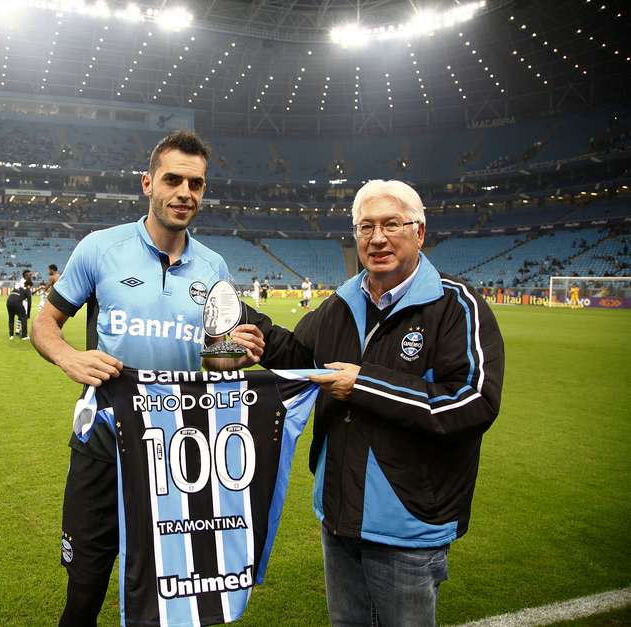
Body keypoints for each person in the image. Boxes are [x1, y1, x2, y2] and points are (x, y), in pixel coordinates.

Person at [212, 179, 505, 627]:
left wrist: (364, 385)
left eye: (392, 224)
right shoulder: (342, 302)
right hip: (339, 517)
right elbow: (300, 355)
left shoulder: (455, 305)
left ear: (419, 232)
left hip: (408, 526)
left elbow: (473, 401)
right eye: (366, 227)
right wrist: (254, 331)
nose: (378, 238)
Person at [30, 130, 239, 627]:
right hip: (103, 444)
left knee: (169, 588)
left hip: (179, 454)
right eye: (173, 179)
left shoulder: (215, 266)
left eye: (196, 183)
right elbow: (45, 324)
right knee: (84, 587)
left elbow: (219, 361)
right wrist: (69, 359)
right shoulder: (101, 249)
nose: (185, 192)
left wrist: (236, 355)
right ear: (148, 183)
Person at [7, 270, 33, 340]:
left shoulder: (19, 283)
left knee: (11, 318)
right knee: (24, 318)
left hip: (9, 300)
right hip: (17, 302)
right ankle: (24, 336)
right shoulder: (27, 286)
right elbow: (29, 301)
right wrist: (28, 314)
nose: (30, 276)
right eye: (29, 275)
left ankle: (11, 335)